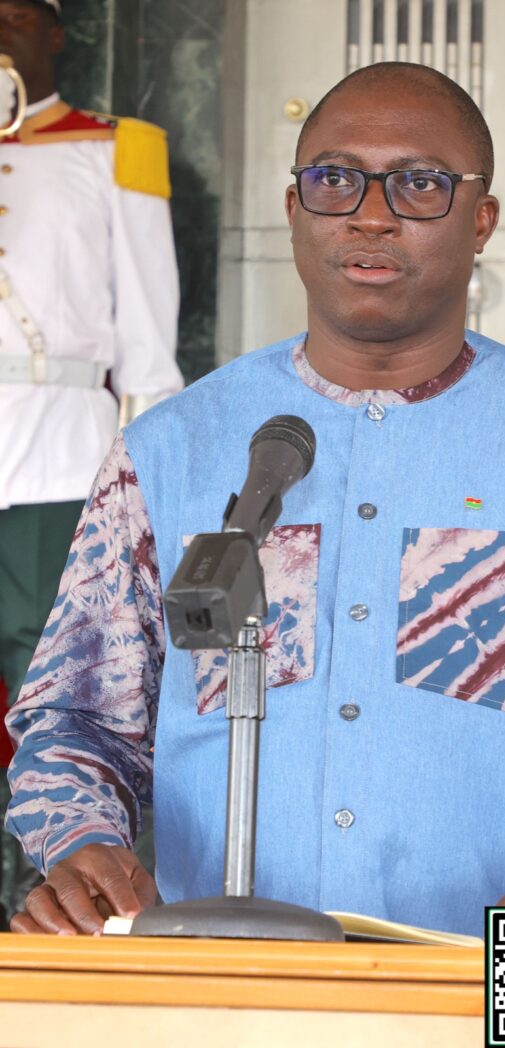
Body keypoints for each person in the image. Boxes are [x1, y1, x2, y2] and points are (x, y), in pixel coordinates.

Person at [4, 62, 505, 937]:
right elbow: (74, 719)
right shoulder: (168, 451)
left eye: (419, 184)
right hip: (224, 962)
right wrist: (83, 840)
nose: (371, 214)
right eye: (335, 179)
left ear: (482, 221)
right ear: (294, 209)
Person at [0, 0, 182, 929]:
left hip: (63, 465)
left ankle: (70, 914)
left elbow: (149, 341)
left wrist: (142, 483)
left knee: (62, 704)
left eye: (16, 13)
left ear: (56, 31)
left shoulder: (117, 149)